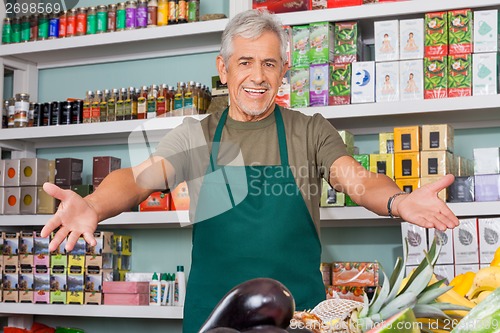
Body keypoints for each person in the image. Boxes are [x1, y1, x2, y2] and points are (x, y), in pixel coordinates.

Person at [41, 9, 459, 333]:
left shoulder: (308, 130)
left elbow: (356, 178)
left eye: (270, 64)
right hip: (213, 318)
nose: (258, 77)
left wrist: (399, 200)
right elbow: (137, 179)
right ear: (224, 70)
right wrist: (93, 205)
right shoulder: (196, 136)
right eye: (245, 62)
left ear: (282, 71)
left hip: (300, 319)